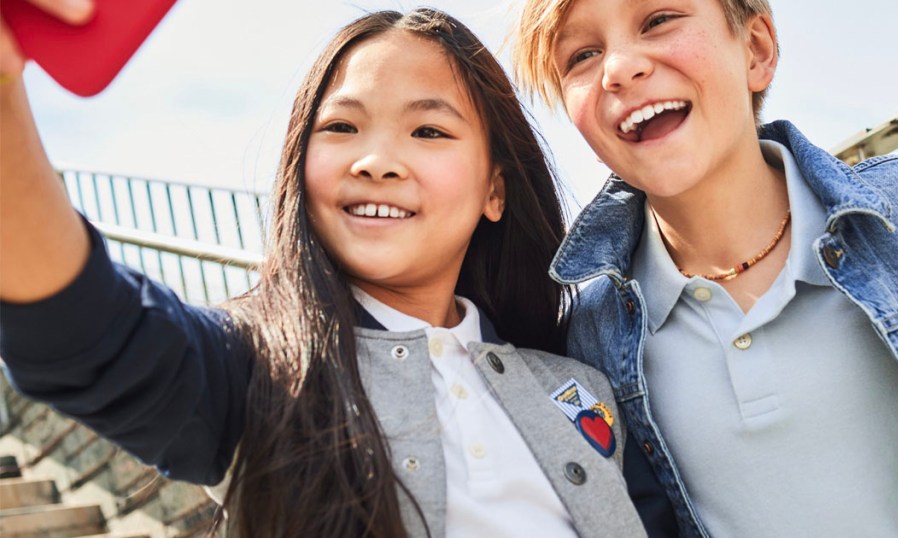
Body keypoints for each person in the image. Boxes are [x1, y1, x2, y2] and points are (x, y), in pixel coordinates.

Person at [0, 5, 648, 537]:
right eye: (340, 126)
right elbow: (80, 334)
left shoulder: (582, 386)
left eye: (428, 131)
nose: (377, 160)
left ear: (495, 191)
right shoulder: (259, 370)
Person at [512, 0, 898, 536]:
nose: (618, 69)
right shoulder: (589, 339)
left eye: (658, 20)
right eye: (583, 56)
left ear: (756, 49)